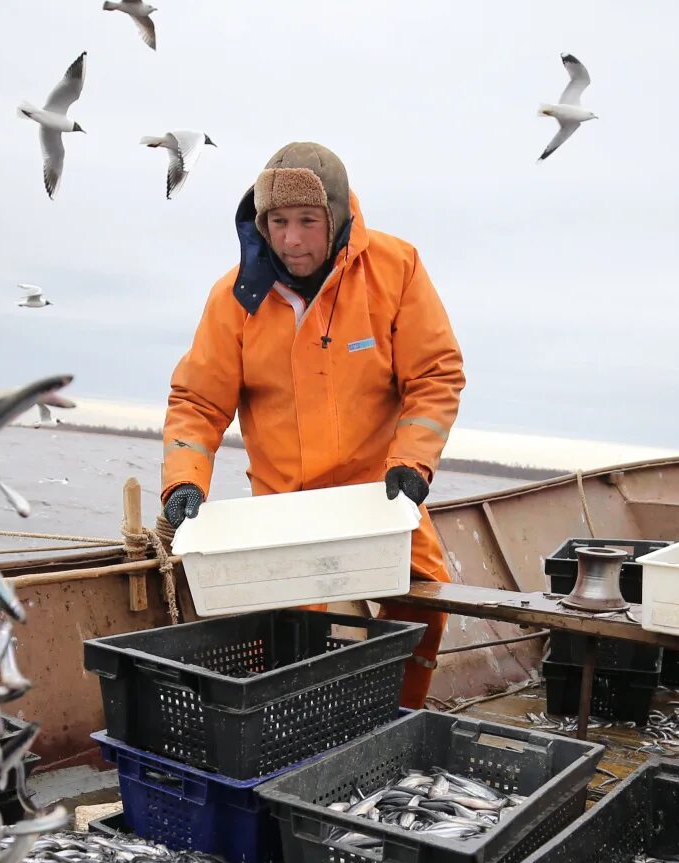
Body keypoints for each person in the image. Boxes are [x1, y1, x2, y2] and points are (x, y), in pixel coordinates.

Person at [159, 142, 465, 708]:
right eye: (278, 222)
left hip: (382, 493)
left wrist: (413, 462)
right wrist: (184, 480)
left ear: (338, 217)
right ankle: (301, 729)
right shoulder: (233, 299)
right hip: (284, 504)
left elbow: (435, 375)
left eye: (307, 221)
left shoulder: (396, 269)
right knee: (289, 636)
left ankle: (396, 716)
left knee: (425, 602)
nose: (292, 239)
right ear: (261, 224)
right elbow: (198, 402)